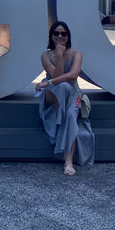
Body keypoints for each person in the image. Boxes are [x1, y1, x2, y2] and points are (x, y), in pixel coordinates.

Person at [36, 21, 95, 175]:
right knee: (62, 86)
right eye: (56, 33)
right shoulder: (46, 55)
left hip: (71, 92)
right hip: (53, 94)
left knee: (70, 112)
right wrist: (59, 57)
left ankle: (68, 162)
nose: (60, 36)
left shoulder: (77, 53)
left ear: (68, 36)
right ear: (51, 36)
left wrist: (48, 81)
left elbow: (74, 75)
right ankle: (67, 159)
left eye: (64, 33)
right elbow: (59, 76)